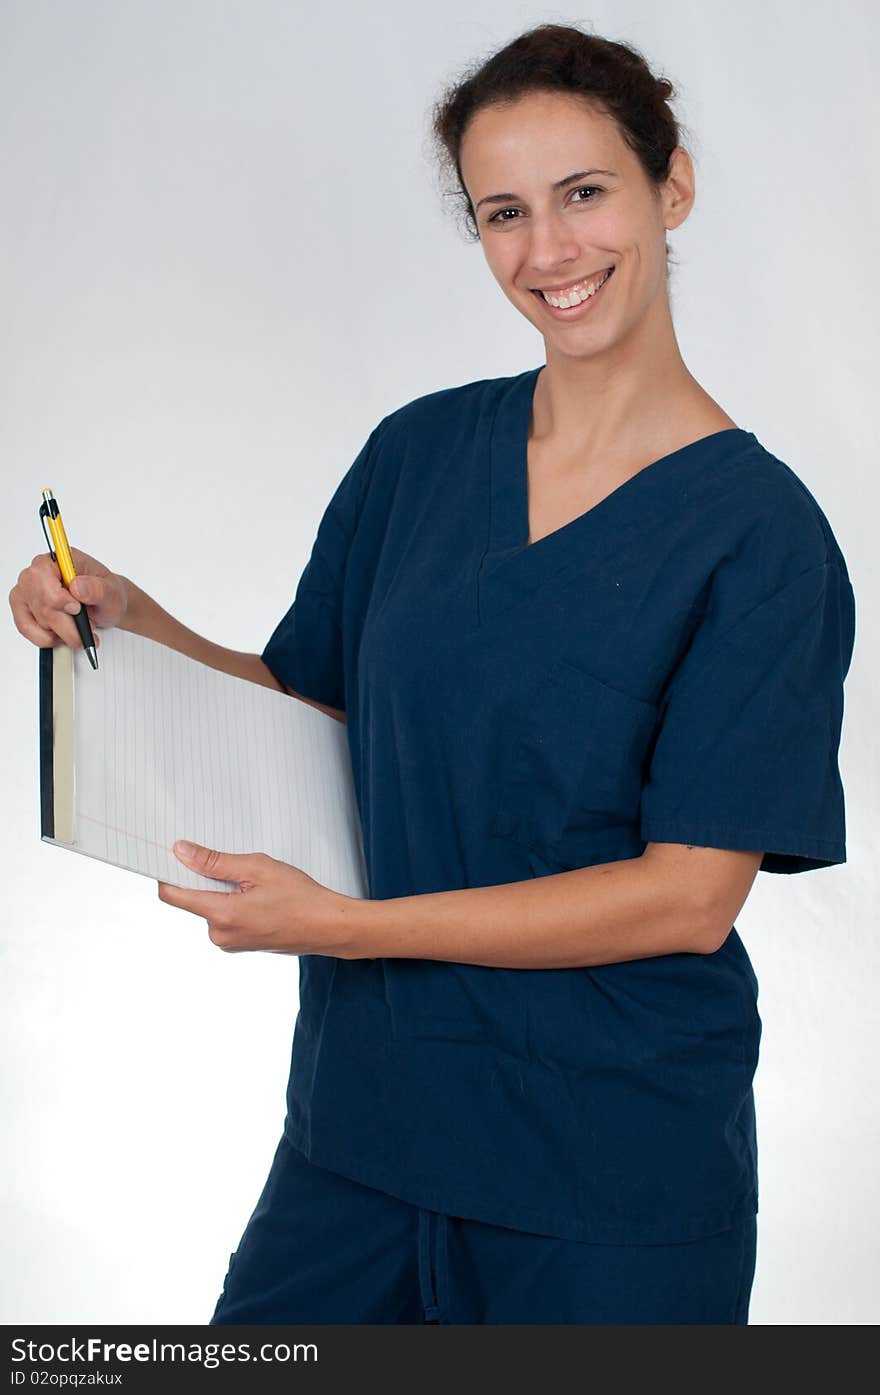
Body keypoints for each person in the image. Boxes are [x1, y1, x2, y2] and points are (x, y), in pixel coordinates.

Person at [10, 23, 856, 1325]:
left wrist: (346, 928)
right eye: (503, 212)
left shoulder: (759, 539)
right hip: (362, 1135)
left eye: (584, 194)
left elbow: (687, 899)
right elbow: (317, 710)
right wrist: (129, 618)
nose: (548, 252)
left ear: (669, 185)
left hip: (603, 1181)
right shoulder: (417, 456)